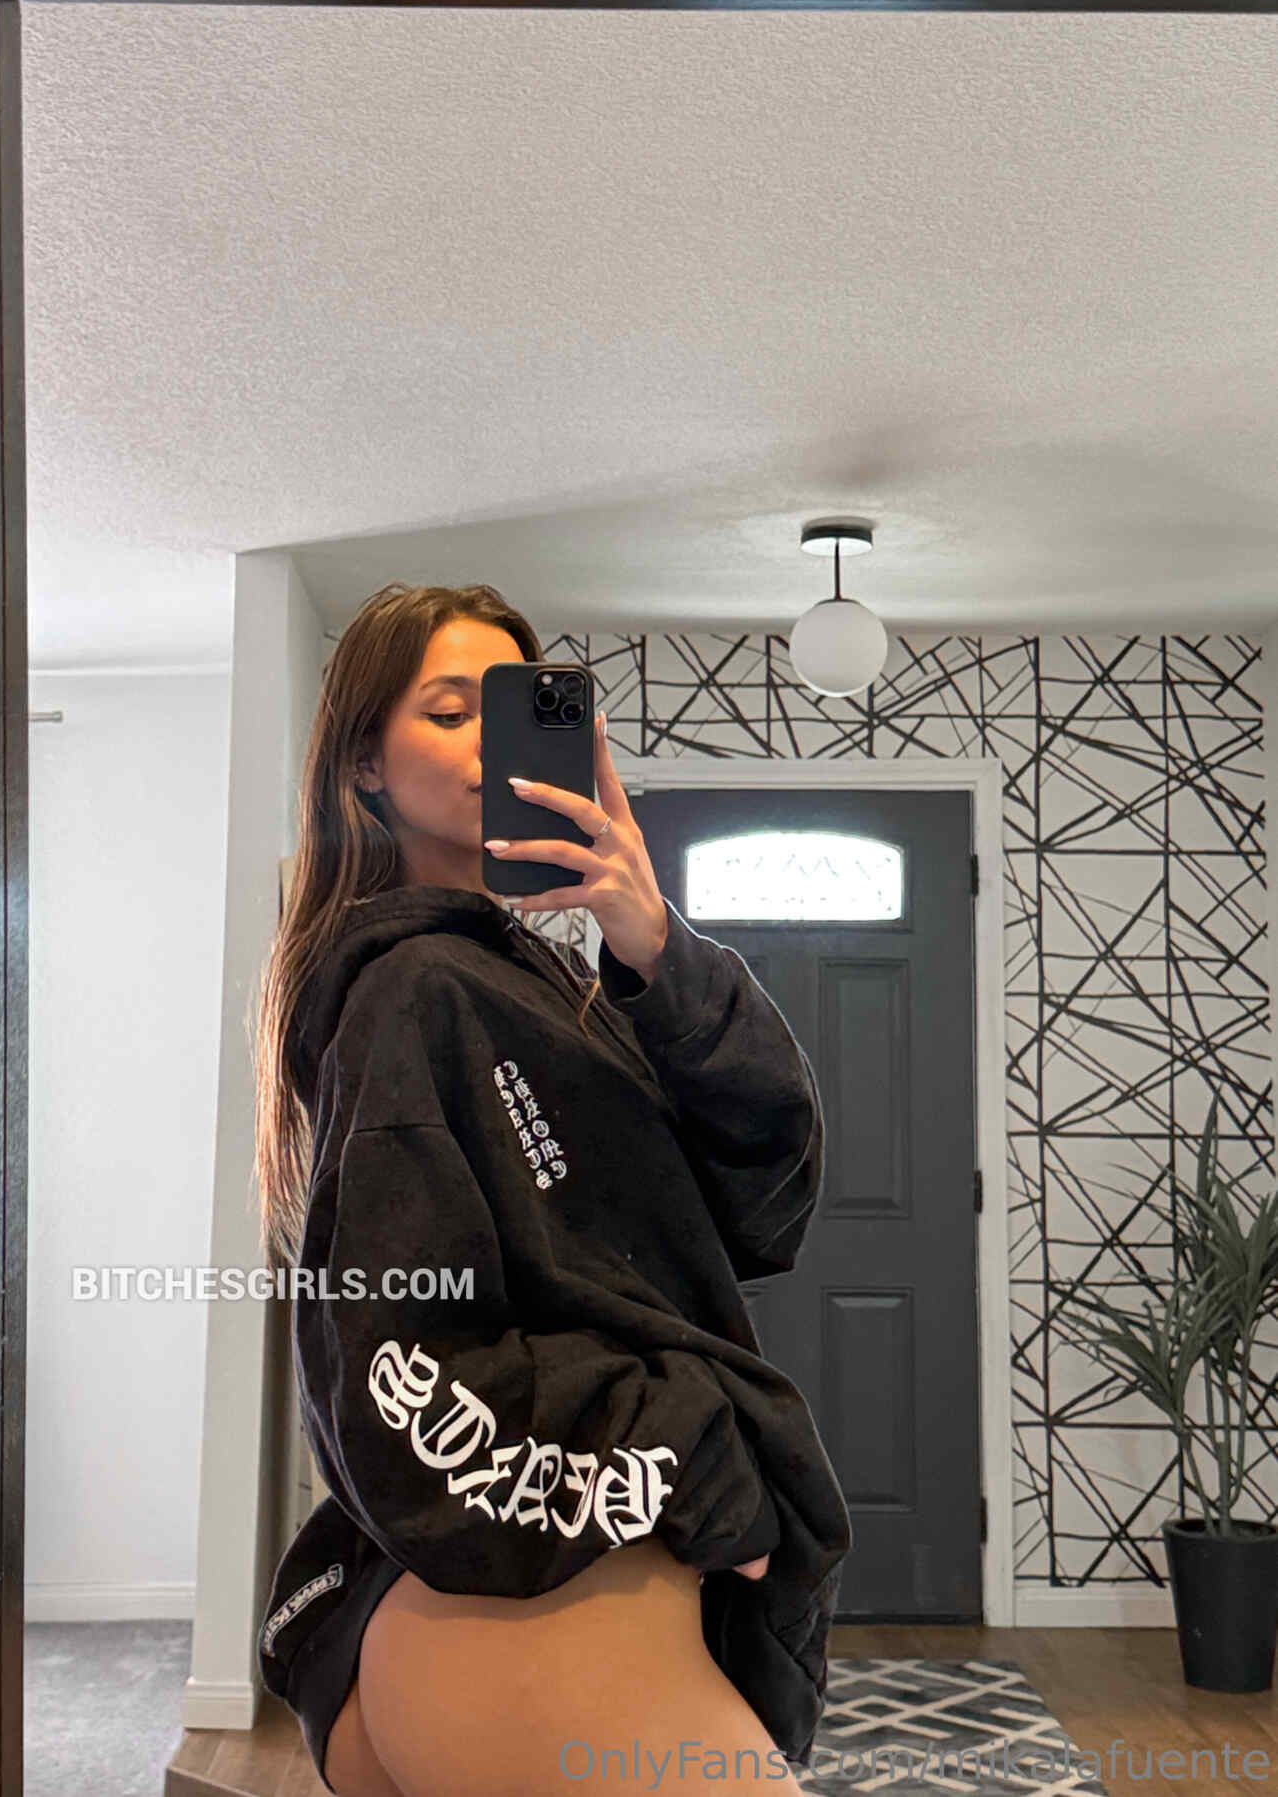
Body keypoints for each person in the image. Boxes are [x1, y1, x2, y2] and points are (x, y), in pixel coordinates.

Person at [251, 583, 851, 1796]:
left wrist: (653, 941)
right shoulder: (416, 988)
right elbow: (404, 1362)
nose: (491, 741)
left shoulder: (541, 983)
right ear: (364, 763)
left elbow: (763, 1193)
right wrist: (693, 1450)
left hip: (522, 1616)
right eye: (448, 712)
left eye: (515, 708)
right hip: (522, 1621)